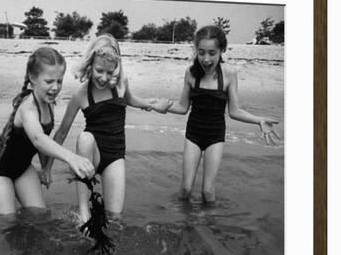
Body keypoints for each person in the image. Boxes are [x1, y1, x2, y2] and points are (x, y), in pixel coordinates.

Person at [41, 34, 171, 224]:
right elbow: (62, 132)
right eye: (99, 70)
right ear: (90, 65)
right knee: (85, 138)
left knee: (114, 218)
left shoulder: (120, 85)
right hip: (91, 154)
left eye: (109, 72)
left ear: (116, 69)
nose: (103, 77)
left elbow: (131, 100)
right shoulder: (81, 94)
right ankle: (84, 214)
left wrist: (152, 105)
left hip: (114, 156)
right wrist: (47, 167)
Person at [164, 25, 281, 204]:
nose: (206, 59)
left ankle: (208, 228)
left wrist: (259, 120)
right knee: (186, 189)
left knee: (207, 192)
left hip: (215, 136)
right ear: (196, 51)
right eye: (201, 52)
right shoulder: (191, 73)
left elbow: (234, 111)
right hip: (193, 135)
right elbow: (182, 107)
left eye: (212, 53)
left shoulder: (229, 74)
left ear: (222, 50)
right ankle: (185, 226)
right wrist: (160, 105)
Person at [0, 47, 95, 215]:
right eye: (49, 81)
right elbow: (38, 139)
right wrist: (72, 158)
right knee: (9, 222)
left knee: (40, 215)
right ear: (33, 78)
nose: (55, 87)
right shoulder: (28, 109)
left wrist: (45, 168)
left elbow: (44, 143)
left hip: (22, 167)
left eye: (59, 81)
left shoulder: (48, 103)